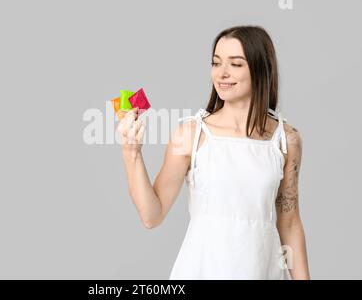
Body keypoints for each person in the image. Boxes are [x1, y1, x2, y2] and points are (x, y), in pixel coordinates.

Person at [117, 25, 310, 280]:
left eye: (236, 64)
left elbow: (289, 223)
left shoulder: (287, 140)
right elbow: (152, 215)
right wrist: (132, 153)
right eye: (216, 63)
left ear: (261, 69)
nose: (222, 73)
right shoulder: (191, 134)